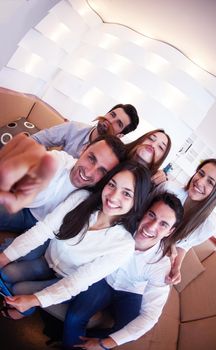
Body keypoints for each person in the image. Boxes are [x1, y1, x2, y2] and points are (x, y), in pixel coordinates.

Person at [0, 161, 152, 321]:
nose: (113, 196)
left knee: (19, 289)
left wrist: (33, 300)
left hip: (65, 278)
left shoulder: (124, 245)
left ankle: (24, 310)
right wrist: (4, 257)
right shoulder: (82, 199)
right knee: (6, 274)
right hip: (46, 259)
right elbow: (42, 231)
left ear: (137, 202)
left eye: (126, 193)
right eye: (112, 185)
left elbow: (76, 283)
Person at [61, 192, 184, 349]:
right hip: (104, 279)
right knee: (74, 317)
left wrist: (104, 344)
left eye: (163, 224)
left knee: (125, 331)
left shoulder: (161, 265)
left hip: (131, 291)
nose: (152, 226)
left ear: (169, 232)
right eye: (151, 215)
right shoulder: (120, 228)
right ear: (144, 212)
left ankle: (83, 342)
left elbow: (150, 316)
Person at [0, 134, 126, 234]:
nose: (89, 172)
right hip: (26, 210)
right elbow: (39, 165)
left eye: (102, 171)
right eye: (91, 158)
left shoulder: (97, 198)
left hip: (49, 233)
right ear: (84, 149)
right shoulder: (57, 160)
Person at [156, 158, 216, 284]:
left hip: (159, 262)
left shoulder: (209, 226)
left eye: (210, 182)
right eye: (201, 173)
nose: (200, 182)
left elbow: (184, 245)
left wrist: (176, 267)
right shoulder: (169, 190)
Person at [32, 104, 139, 158]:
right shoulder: (73, 128)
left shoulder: (111, 158)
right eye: (112, 115)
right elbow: (36, 140)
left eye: (118, 123)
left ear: (120, 136)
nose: (110, 121)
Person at [0, 133, 58, 213]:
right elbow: (37, 141)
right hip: (15, 194)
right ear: (81, 150)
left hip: (37, 216)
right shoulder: (63, 158)